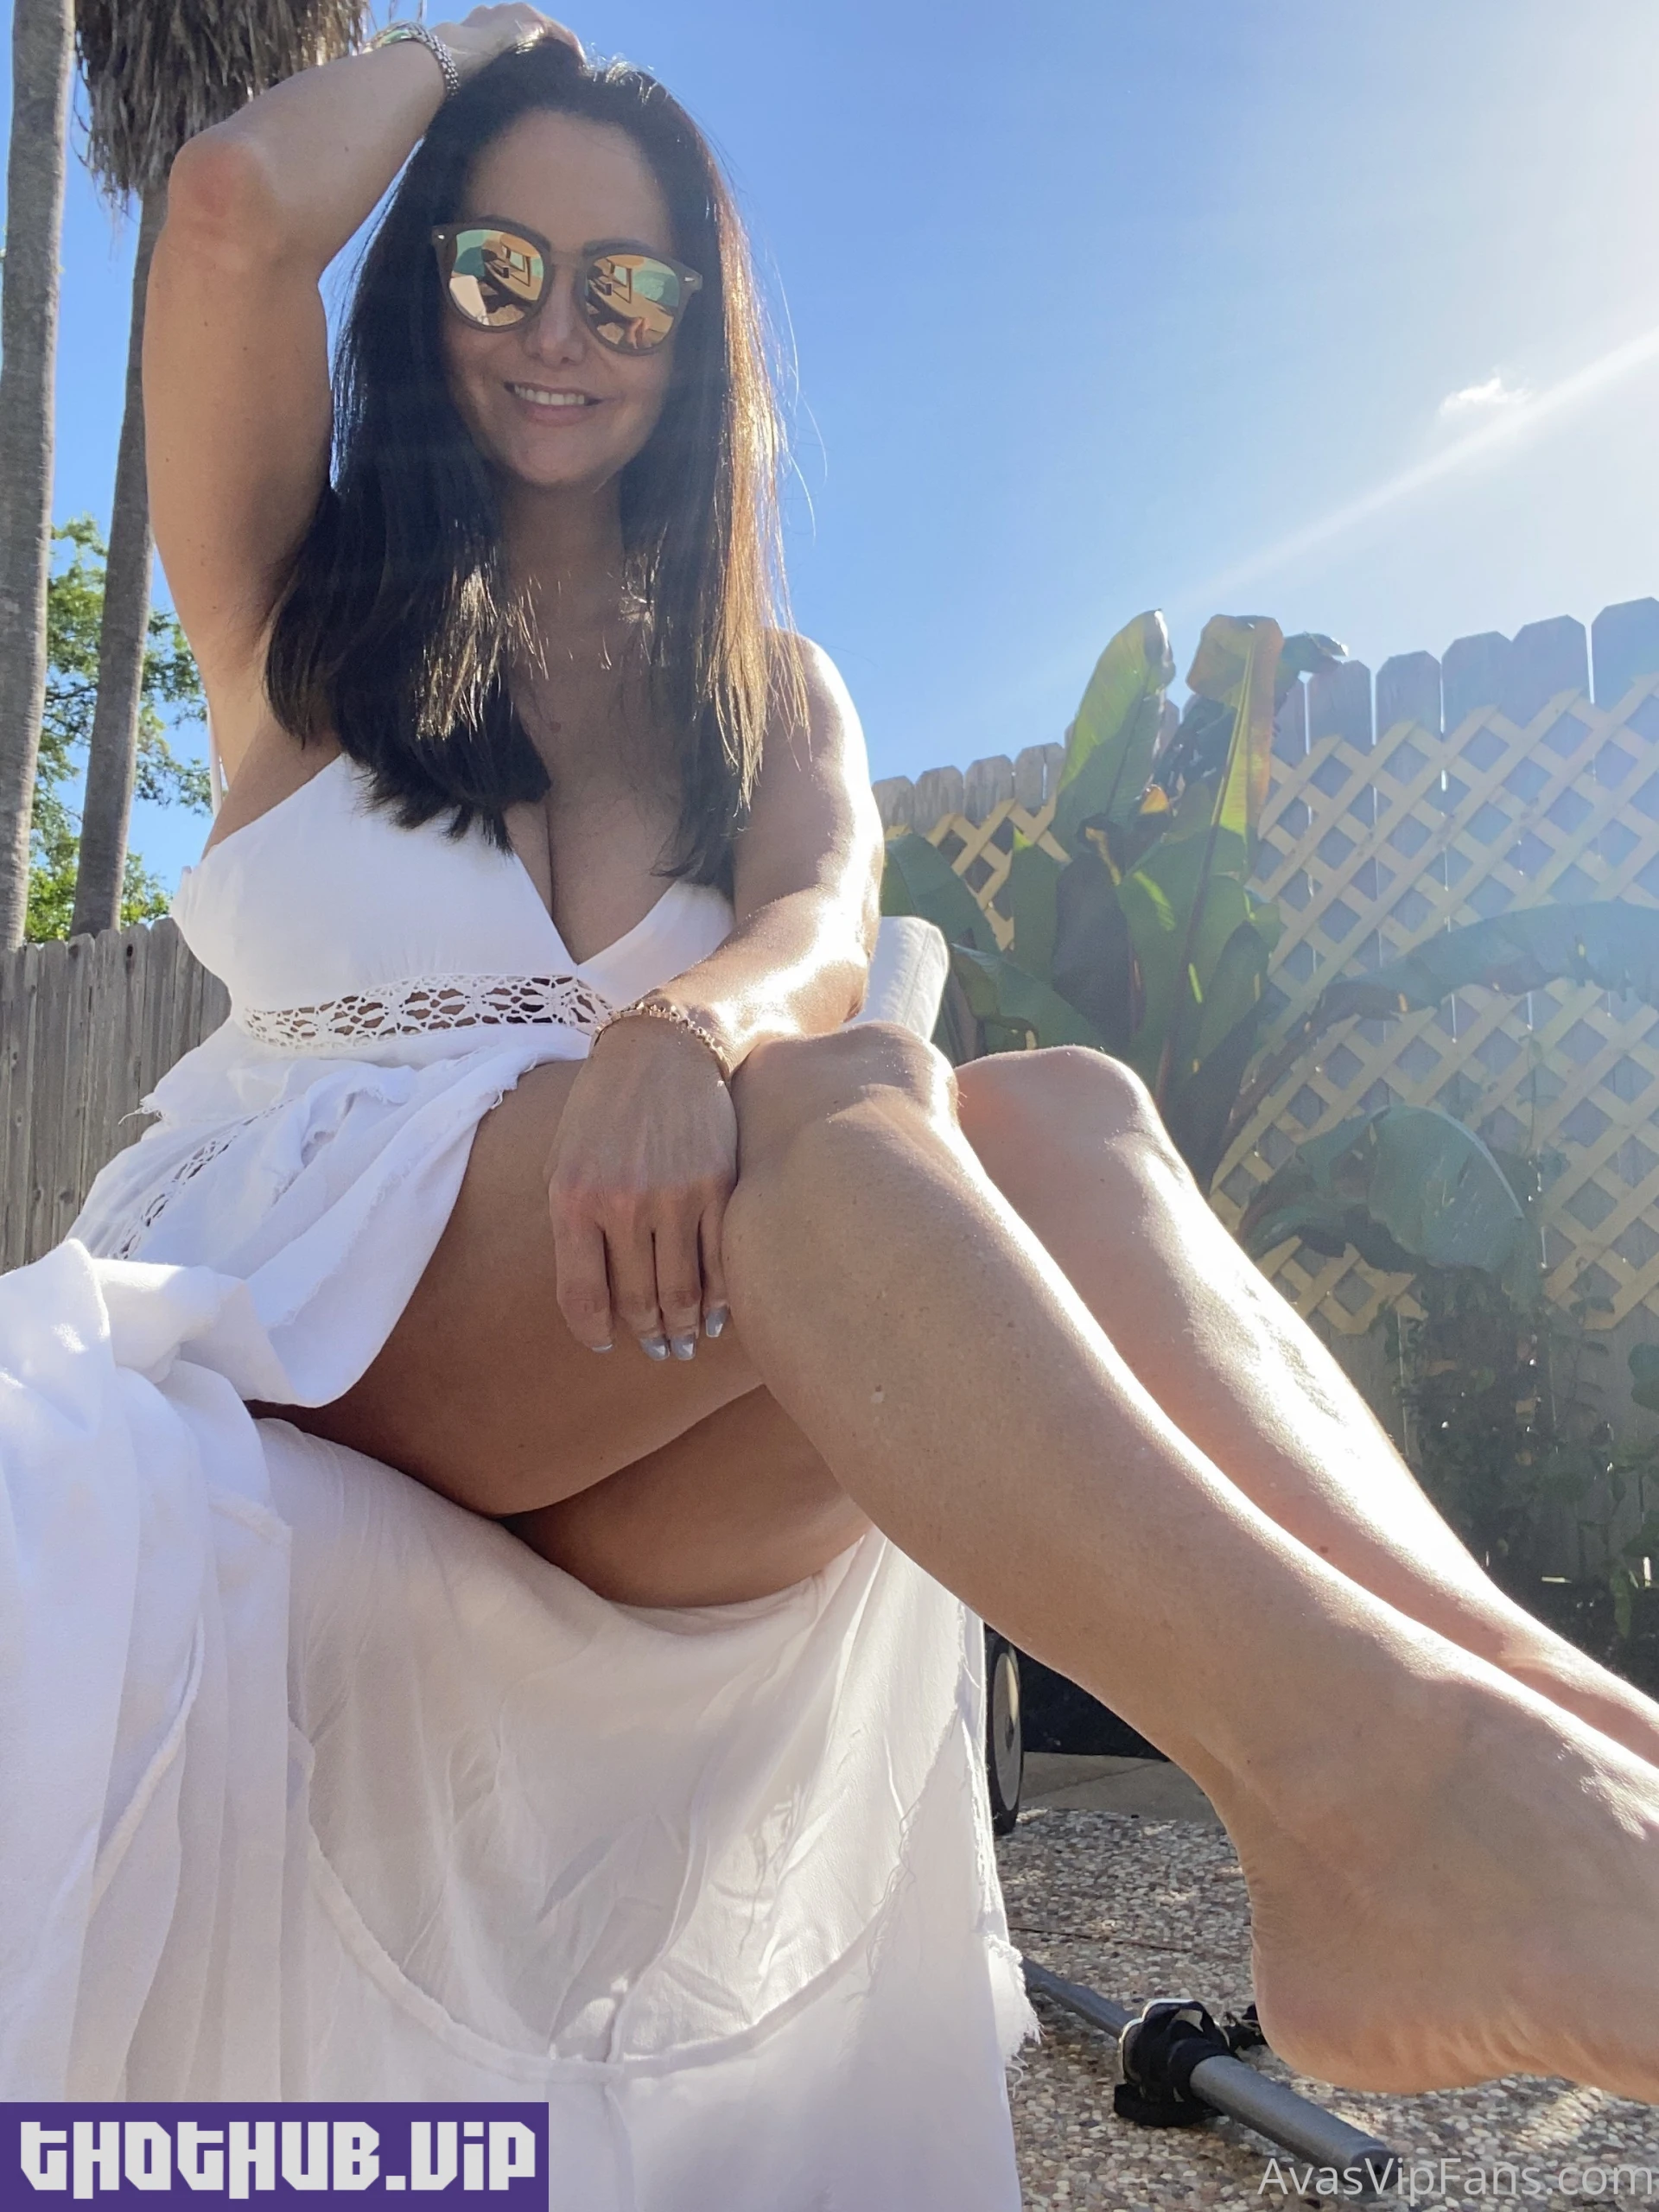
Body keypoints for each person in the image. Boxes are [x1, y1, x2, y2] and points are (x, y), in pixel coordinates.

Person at [5, 3, 1656, 2185]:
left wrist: (680, 1034)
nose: (559, 329)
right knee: (847, 1100)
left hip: (660, 1369)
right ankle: (1395, 1809)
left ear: (702, 339)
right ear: (428, 293)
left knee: (1062, 1110)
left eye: (629, 286)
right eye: (500, 268)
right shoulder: (310, 623)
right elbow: (226, 210)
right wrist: (491, 50)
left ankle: (1583, 1766)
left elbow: (813, 921)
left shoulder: (767, 693)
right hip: (322, 1306)